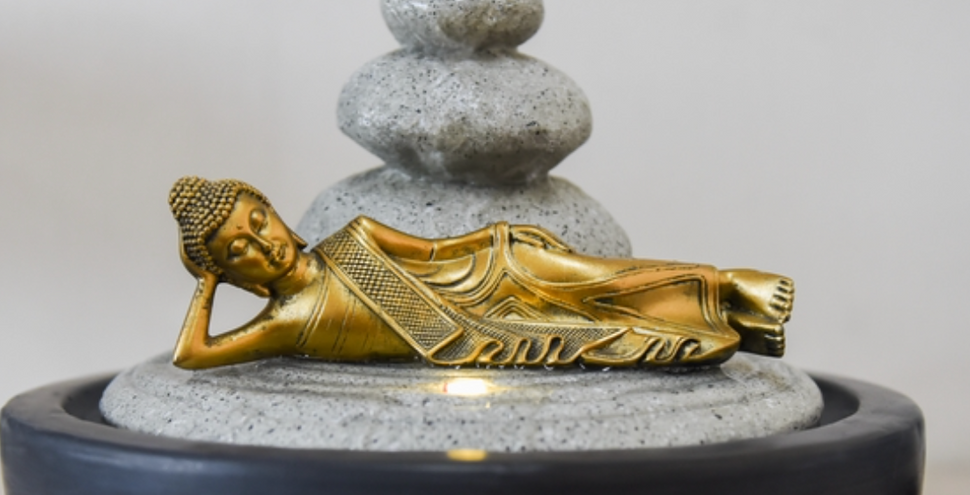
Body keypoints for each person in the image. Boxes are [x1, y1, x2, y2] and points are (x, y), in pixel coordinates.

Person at [169, 176, 794, 371]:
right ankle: (737, 328)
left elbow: (432, 251)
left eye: (260, 222)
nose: (263, 244)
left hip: (483, 274)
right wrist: (205, 282)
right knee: (596, 332)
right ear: (232, 271)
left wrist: (499, 239)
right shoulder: (285, 323)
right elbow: (193, 356)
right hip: (467, 335)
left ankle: (725, 284)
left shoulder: (353, 237)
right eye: (238, 250)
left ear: (277, 214)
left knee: (592, 281)